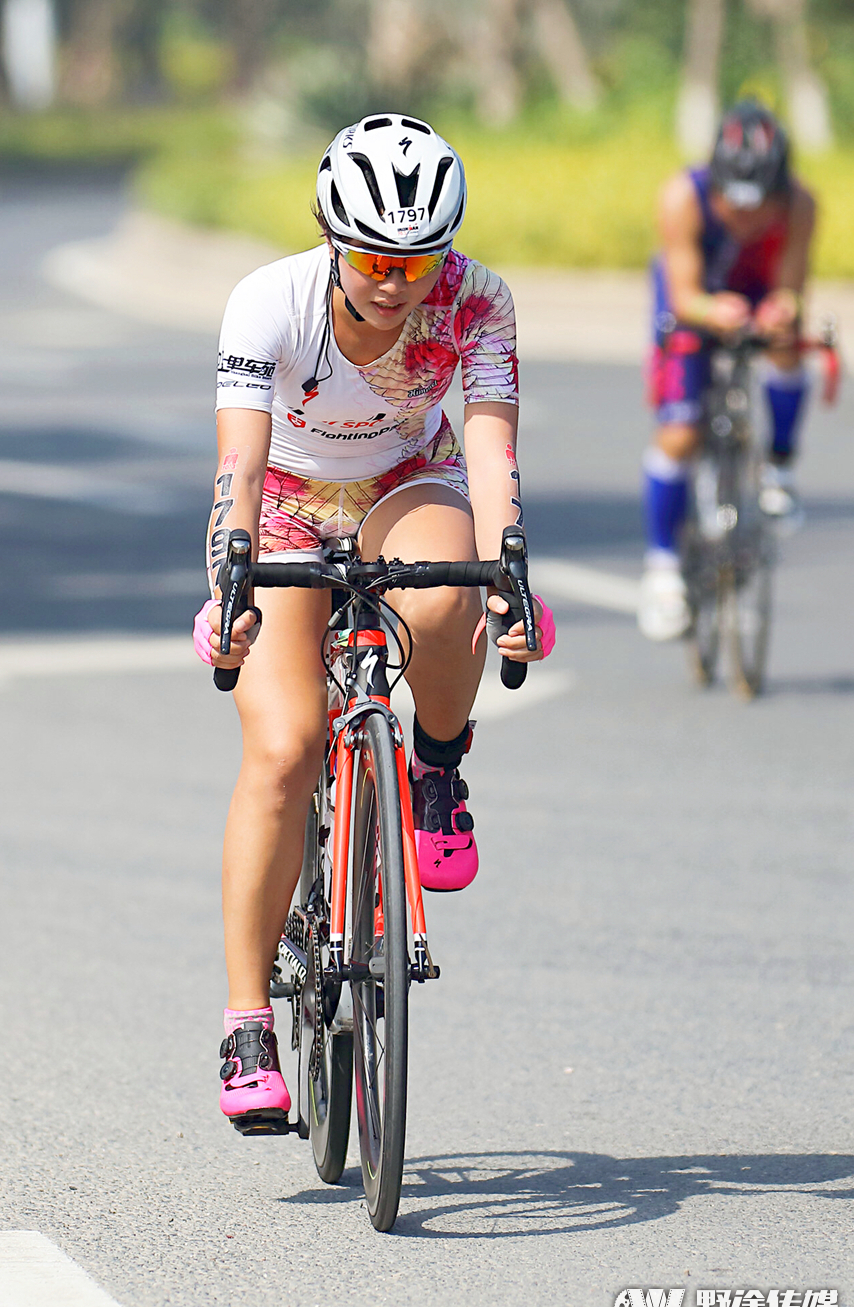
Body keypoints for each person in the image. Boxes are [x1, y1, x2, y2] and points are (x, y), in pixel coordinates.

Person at [191, 114, 557, 1129]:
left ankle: (435, 766)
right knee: (284, 745)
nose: (396, 283)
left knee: (446, 590)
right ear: (330, 235)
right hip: (289, 504)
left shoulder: (480, 303)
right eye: (371, 258)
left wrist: (509, 580)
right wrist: (230, 590)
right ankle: (248, 1022)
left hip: (407, 479)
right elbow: (242, 467)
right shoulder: (268, 303)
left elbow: (491, 455)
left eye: (417, 261)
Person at [639, 100, 816, 641]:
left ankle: (779, 469)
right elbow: (687, 291)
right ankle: (663, 569)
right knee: (680, 432)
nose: (744, 216)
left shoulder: (800, 204)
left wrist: (780, 309)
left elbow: (790, 283)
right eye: (733, 202)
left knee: (790, 341)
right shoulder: (683, 197)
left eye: (758, 205)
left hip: (756, 287)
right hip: (693, 299)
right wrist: (715, 313)